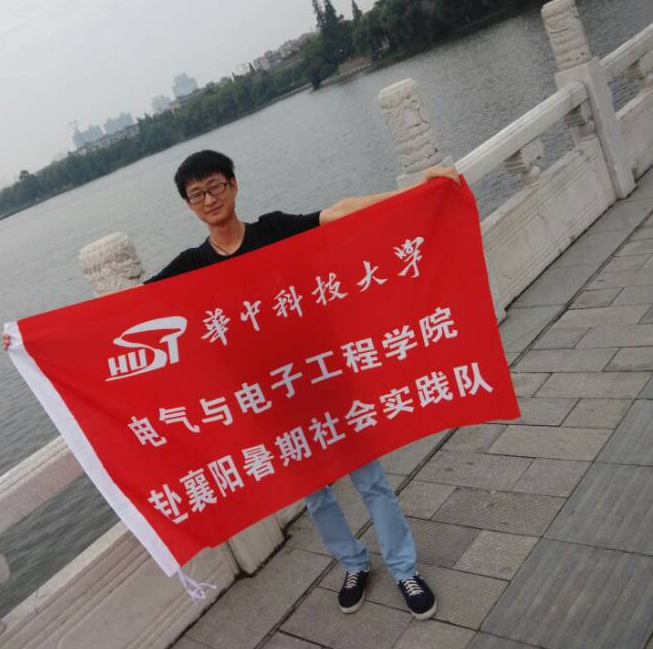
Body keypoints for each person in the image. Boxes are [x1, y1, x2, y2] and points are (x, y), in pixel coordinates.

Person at [147, 150, 457, 619]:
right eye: (196, 194)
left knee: (370, 480)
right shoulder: (190, 266)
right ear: (189, 205)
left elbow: (338, 212)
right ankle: (353, 564)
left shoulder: (273, 230)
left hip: (322, 380)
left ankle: (404, 569)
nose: (209, 199)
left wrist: (417, 189)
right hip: (269, 401)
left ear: (233, 185)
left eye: (215, 186)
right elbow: (121, 312)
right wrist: (37, 342)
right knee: (315, 495)